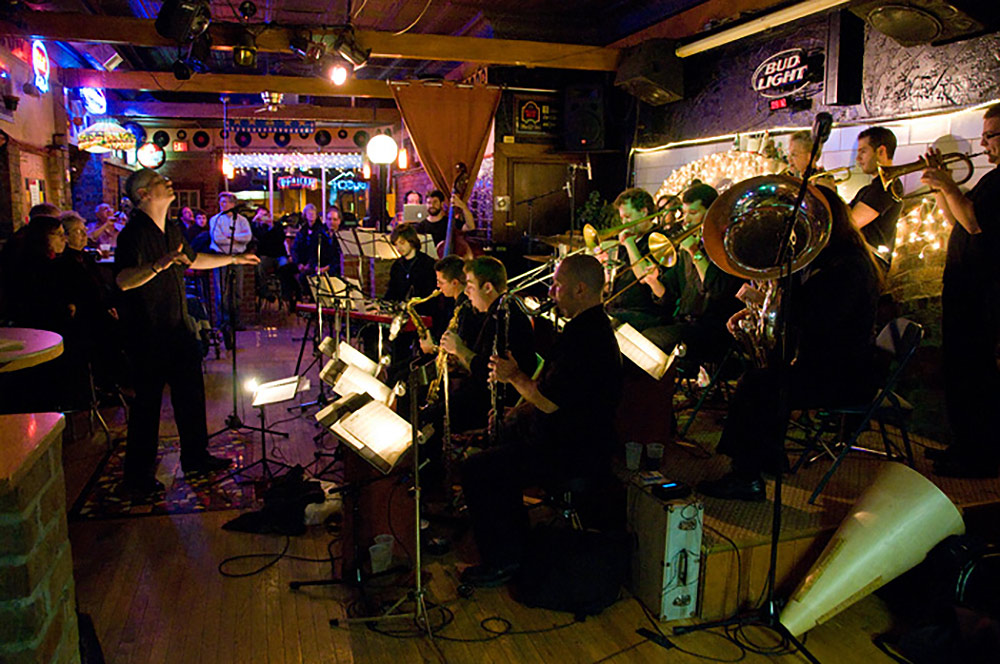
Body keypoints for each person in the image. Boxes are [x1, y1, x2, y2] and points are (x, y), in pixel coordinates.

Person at [697, 186, 881, 501]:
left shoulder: (849, 266)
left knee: (758, 385)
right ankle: (766, 457)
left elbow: (815, 317)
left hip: (842, 375)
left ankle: (747, 476)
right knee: (762, 378)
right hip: (819, 363)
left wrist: (772, 307)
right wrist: (754, 308)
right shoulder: (821, 260)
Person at [459, 254, 623, 587]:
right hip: (564, 439)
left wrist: (513, 375)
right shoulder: (584, 327)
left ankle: (504, 560)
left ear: (579, 289)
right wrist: (517, 411)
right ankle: (515, 543)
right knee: (498, 447)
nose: (550, 292)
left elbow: (550, 402)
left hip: (573, 452)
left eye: (557, 285)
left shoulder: (587, 339)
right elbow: (556, 390)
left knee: (478, 469)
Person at [114, 168, 259, 496]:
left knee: (192, 397)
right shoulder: (133, 233)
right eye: (158, 181)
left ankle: (195, 457)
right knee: (147, 408)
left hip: (177, 328)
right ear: (143, 195)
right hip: (147, 334)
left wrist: (234, 259)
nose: (168, 182)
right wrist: (160, 263)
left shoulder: (174, 227)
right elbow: (123, 280)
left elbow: (193, 260)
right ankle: (136, 481)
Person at [919, 103, 1000, 478]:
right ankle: (963, 443)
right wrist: (940, 187)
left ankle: (978, 454)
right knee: (958, 372)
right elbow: (954, 217)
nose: (984, 144)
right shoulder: (990, 178)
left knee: (975, 375)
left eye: (991, 135)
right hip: (963, 290)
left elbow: (973, 222)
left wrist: (949, 184)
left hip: (982, 296)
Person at [640, 183, 743, 363]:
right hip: (684, 323)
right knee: (637, 335)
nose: (685, 220)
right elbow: (669, 296)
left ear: (711, 213)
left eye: (693, 213)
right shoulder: (686, 249)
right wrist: (653, 281)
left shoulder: (725, 248)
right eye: (684, 213)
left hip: (711, 330)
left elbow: (718, 290)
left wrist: (695, 252)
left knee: (651, 339)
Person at [437, 256, 536, 432]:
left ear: (488, 287)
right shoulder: (493, 313)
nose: (466, 292)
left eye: (470, 286)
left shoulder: (505, 318)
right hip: (483, 396)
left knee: (434, 417)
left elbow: (486, 373)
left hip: (494, 406)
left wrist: (459, 350)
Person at [605, 187, 669, 333]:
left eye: (628, 217)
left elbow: (642, 276)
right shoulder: (629, 240)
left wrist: (629, 244)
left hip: (643, 314)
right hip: (619, 309)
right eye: (622, 218)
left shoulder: (659, 240)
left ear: (644, 212)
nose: (624, 223)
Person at [850, 126, 902, 272]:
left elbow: (851, 223)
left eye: (863, 151)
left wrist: (828, 191)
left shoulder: (887, 186)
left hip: (868, 266)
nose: (858, 158)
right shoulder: (870, 188)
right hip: (862, 263)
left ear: (881, 151)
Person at [209, 192, 253, 332]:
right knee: (222, 291)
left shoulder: (241, 220)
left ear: (232, 204)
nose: (222, 205)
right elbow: (217, 238)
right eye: (220, 202)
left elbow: (247, 237)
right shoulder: (215, 220)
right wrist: (234, 239)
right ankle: (223, 322)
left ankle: (236, 320)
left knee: (237, 291)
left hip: (237, 257)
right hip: (221, 257)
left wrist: (230, 236)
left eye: (225, 202)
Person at [384, 224, 437, 303]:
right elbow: (392, 291)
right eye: (396, 244)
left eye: (402, 243)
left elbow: (430, 296)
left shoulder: (428, 264)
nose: (398, 248)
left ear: (411, 241)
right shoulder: (397, 265)